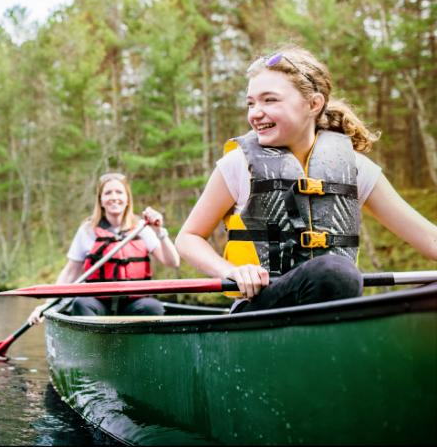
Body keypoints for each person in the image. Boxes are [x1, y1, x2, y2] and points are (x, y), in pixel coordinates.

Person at [175, 45, 437, 312]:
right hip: (261, 308)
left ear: (313, 104)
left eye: (270, 100)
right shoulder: (237, 165)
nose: (255, 113)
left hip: (334, 303)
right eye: (251, 103)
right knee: (333, 272)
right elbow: (188, 238)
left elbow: (430, 240)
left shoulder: (354, 168)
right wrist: (231, 271)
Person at [28, 172, 180, 324]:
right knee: (81, 303)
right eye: (108, 193)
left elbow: (173, 262)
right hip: (98, 303)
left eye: (119, 192)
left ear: (127, 199)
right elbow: (70, 272)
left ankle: (138, 344)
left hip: (133, 304)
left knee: (152, 307)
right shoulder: (88, 230)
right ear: (101, 200)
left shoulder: (142, 228)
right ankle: (97, 344)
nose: (114, 197)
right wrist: (48, 304)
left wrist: (160, 231)